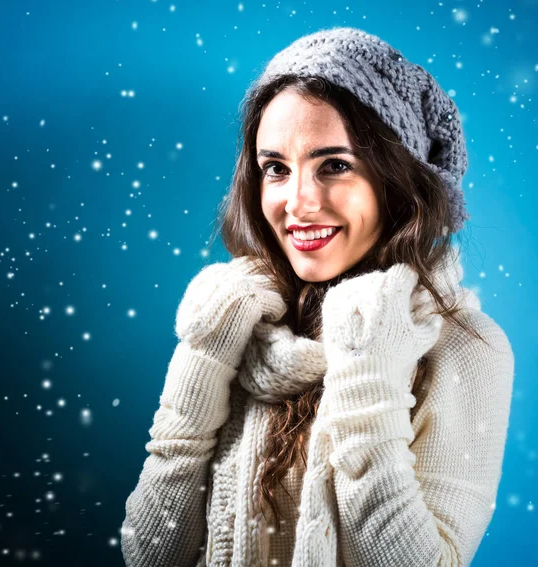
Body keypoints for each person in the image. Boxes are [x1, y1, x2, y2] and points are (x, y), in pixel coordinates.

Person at [120, 27, 515, 567]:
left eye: (334, 165)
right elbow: (150, 555)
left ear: (396, 182)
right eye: (276, 169)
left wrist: (367, 363)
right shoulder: (239, 323)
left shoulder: (467, 351)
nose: (298, 202)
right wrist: (205, 356)